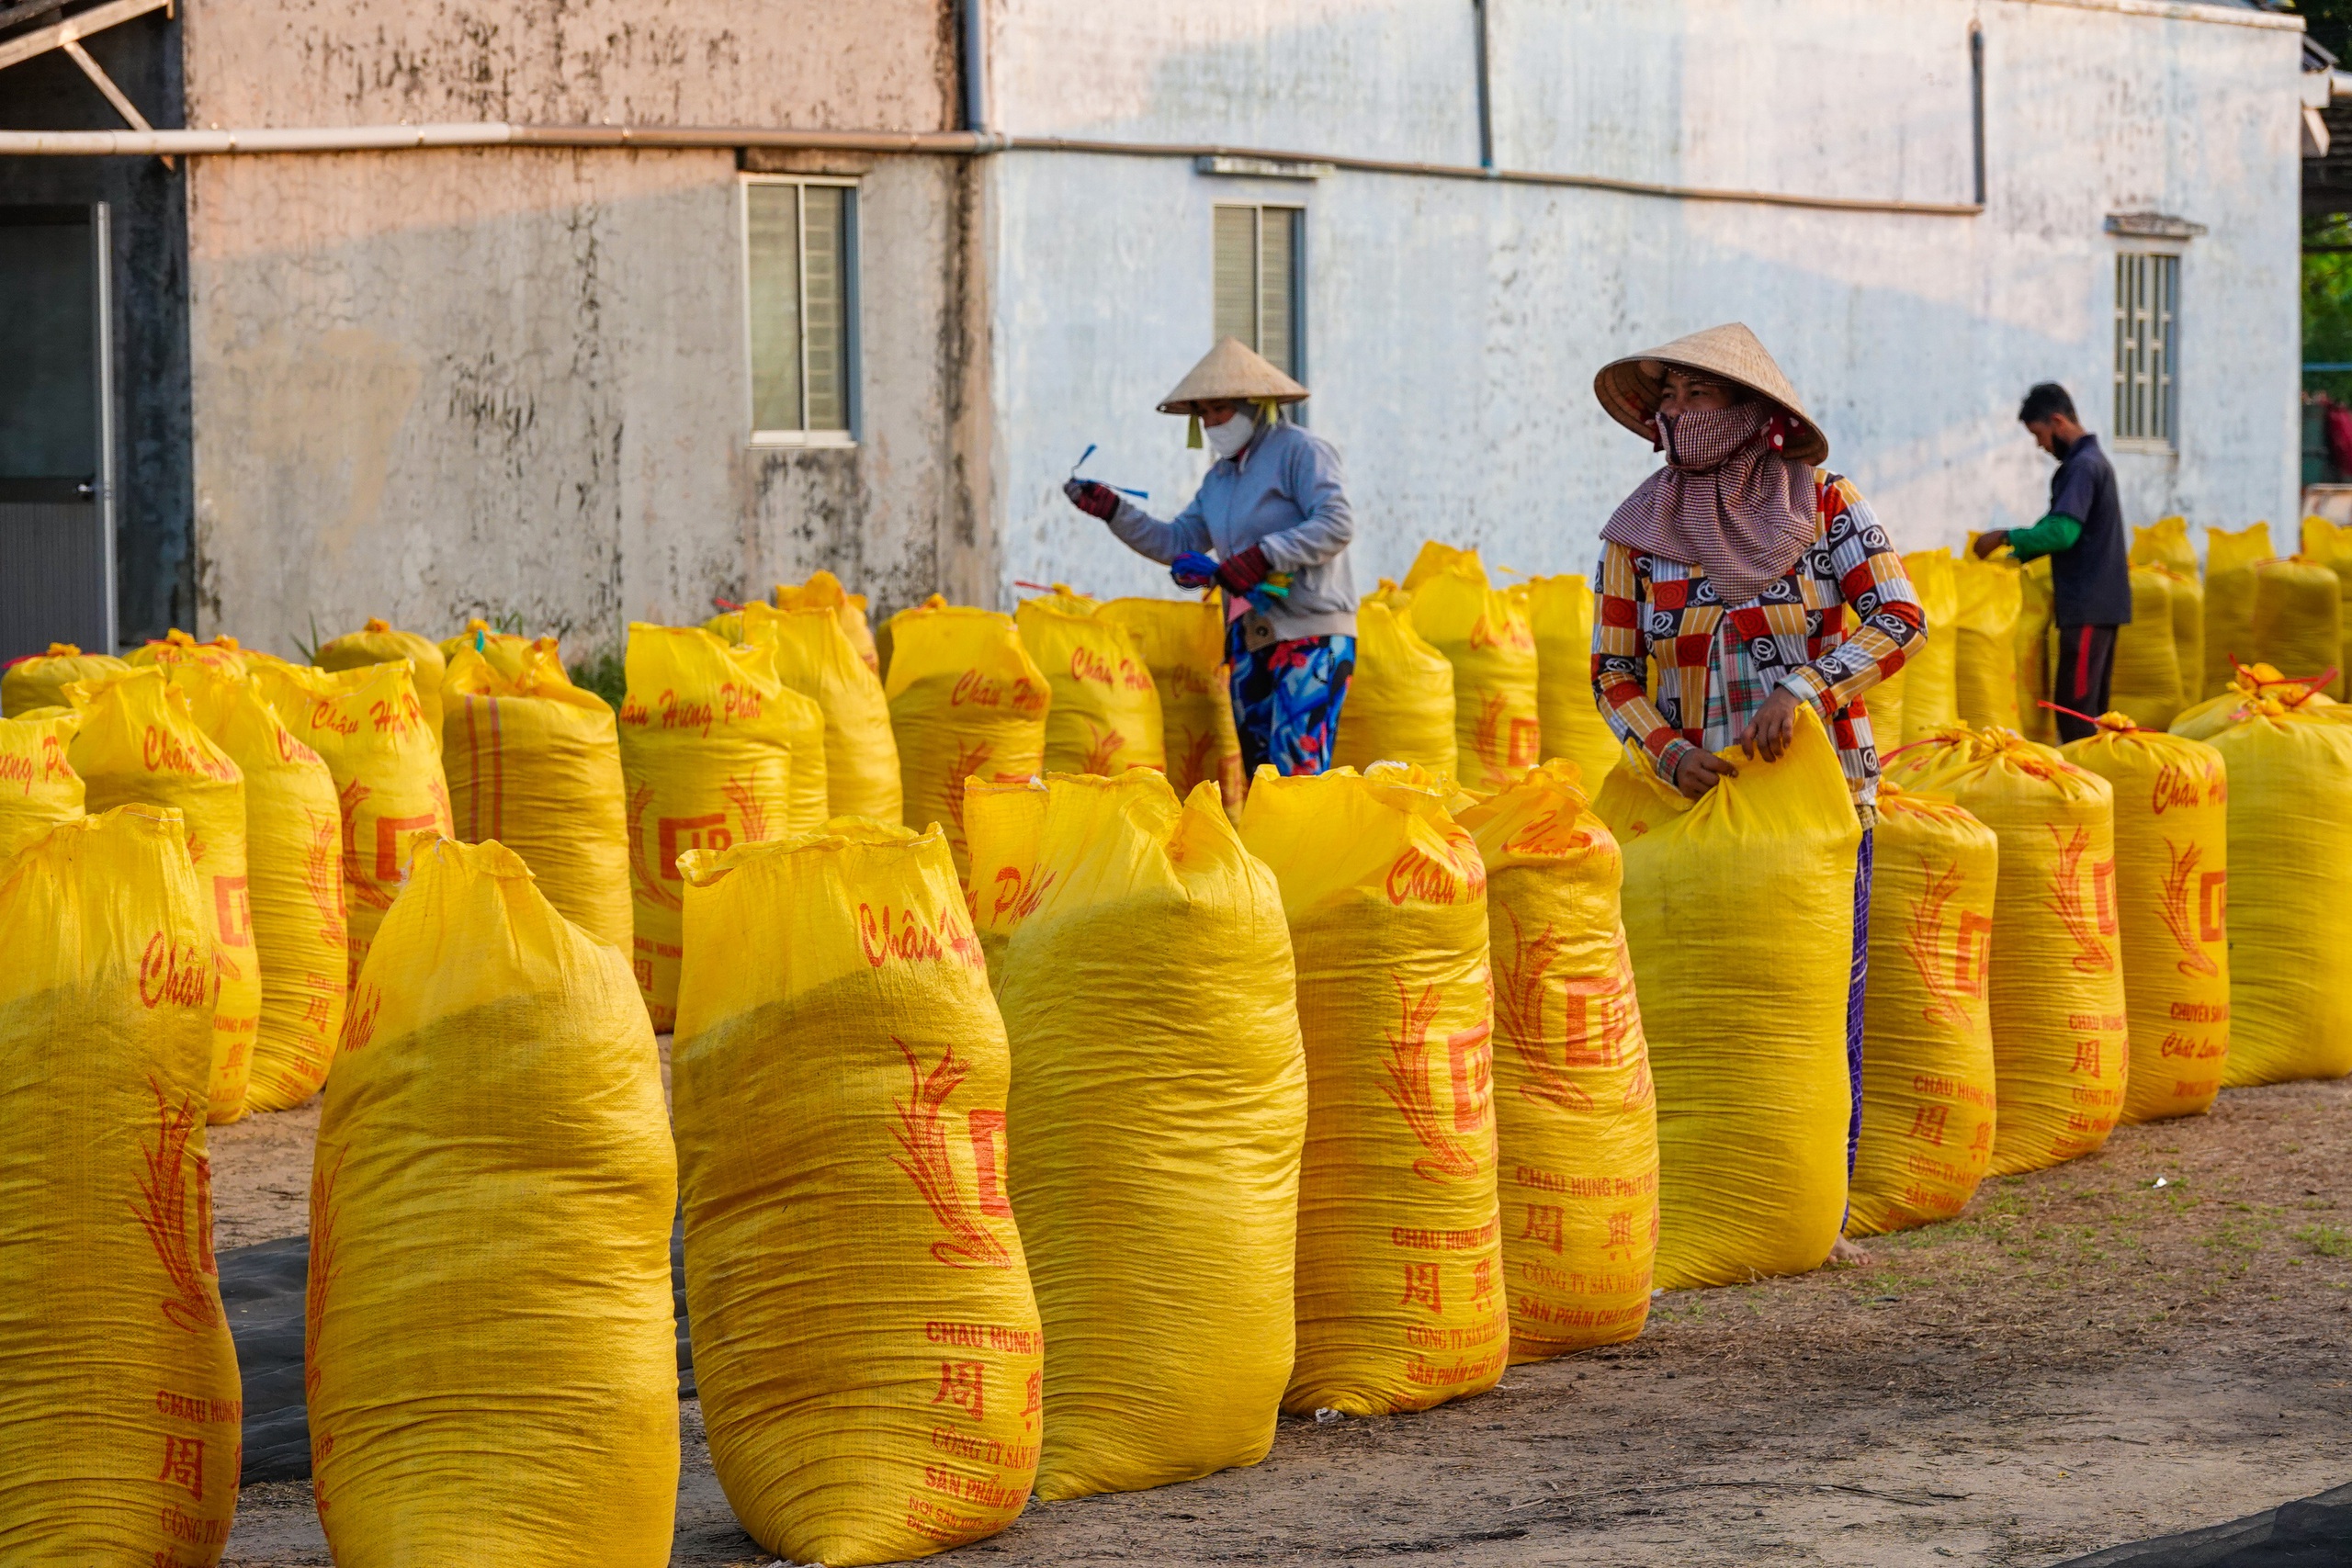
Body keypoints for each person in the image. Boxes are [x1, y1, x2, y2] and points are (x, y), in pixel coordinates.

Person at [1588, 322, 1928, 1264]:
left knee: (1822, 1006)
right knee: (1690, 1005)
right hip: (1692, 808)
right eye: (1666, 399)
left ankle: (1819, 1206)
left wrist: (1805, 688)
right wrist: (1665, 752)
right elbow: (1612, 669)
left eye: (1695, 396)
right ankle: (1694, 1205)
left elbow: (1900, 617)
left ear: (1752, 415)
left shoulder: (1822, 503)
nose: (1676, 414)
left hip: (1819, 805)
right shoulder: (1635, 534)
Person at [1064, 336, 1359, 778]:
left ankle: (1310, 849)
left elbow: (1336, 523)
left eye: (1221, 409)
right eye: (1203, 412)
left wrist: (1263, 556)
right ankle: (1268, 850)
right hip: (1249, 638)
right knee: (1264, 778)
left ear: (1254, 403)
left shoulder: (1301, 452)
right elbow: (1176, 541)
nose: (1212, 421)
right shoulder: (1218, 481)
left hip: (1312, 634)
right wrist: (1115, 511)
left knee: (1299, 774)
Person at [1970, 382, 2132, 742]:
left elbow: (2061, 532)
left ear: (2058, 421)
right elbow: (2058, 526)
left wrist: (2003, 536)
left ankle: (2084, 791)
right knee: (2090, 709)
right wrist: (2017, 555)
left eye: (2039, 435)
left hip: (2090, 605)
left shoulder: (2084, 467)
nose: (2040, 446)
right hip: (2095, 604)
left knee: (2075, 712)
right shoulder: (2087, 463)